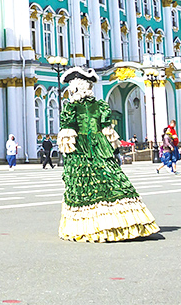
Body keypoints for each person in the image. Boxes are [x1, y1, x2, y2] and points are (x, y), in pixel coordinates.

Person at [57, 66, 159, 242]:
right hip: (101, 148)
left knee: (84, 186)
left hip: (81, 150)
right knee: (111, 180)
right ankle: (122, 223)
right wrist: (115, 151)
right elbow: (108, 132)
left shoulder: (70, 108)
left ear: (75, 87)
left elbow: (67, 133)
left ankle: (90, 227)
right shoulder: (100, 106)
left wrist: (68, 154)